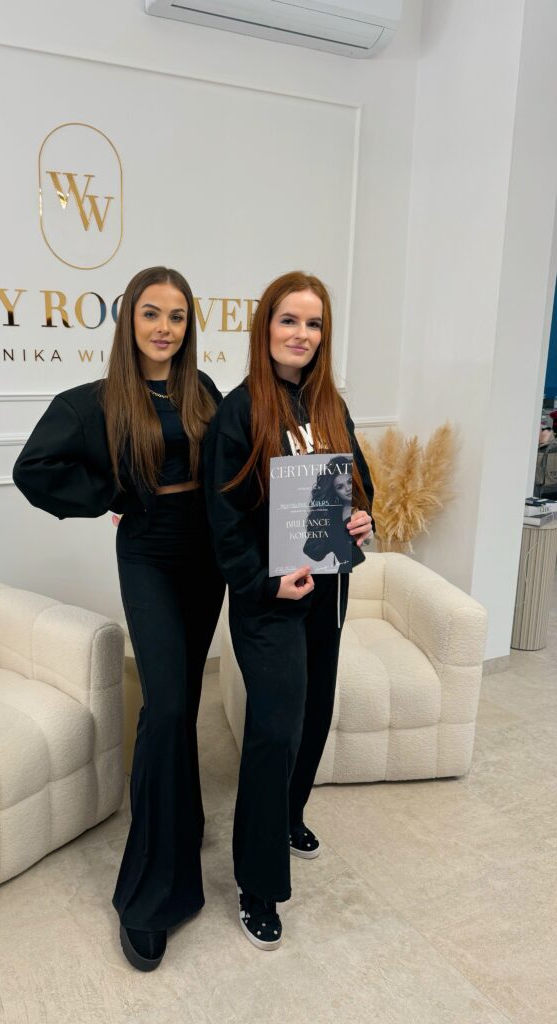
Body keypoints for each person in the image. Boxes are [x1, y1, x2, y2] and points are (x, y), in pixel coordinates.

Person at [12, 266, 224, 972]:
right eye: (151, 313)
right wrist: (111, 491)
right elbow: (33, 469)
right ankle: (149, 896)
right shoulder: (95, 401)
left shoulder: (203, 391)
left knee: (183, 701)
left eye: (177, 316)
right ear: (129, 319)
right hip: (150, 556)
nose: (165, 327)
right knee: (166, 706)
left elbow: (235, 464)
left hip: (207, 559)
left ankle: (181, 819)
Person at [203, 271, 374, 951]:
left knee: (314, 715)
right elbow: (223, 522)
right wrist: (264, 583)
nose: (301, 335)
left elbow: (359, 485)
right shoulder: (239, 411)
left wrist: (362, 518)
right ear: (266, 327)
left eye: (314, 324)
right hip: (270, 600)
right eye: (289, 321)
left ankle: (288, 814)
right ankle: (258, 883)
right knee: (274, 729)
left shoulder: (331, 404)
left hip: (328, 590)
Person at [302, 464, 354, 570]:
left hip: (365, 567)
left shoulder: (363, 508)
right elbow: (314, 552)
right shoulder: (333, 518)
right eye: (340, 487)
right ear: (335, 492)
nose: (348, 489)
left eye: (350, 482)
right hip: (345, 572)